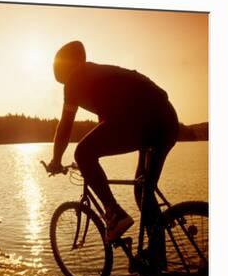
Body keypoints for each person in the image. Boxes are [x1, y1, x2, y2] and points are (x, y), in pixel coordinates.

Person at [45, 40, 179, 243]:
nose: (64, 85)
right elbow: (107, 125)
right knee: (144, 191)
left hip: (144, 119)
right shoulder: (101, 77)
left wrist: (56, 160)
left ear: (64, 68)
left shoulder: (76, 78)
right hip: (166, 120)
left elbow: (65, 126)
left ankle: (115, 214)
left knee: (83, 152)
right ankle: (157, 263)